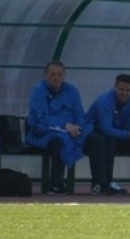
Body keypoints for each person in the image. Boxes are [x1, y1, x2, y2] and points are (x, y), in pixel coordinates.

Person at [26, 61, 109, 195]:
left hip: (73, 130)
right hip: (44, 132)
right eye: (52, 74)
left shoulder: (72, 91)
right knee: (60, 140)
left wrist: (77, 127)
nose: (56, 77)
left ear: (64, 75)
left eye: (59, 74)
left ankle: (99, 184)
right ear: (46, 76)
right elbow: (42, 117)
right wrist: (65, 126)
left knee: (96, 140)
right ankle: (56, 185)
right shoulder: (38, 92)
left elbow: (79, 114)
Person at [87, 74, 130, 195]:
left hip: (117, 135)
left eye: (128, 90)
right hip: (96, 136)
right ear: (115, 87)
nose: (125, 93)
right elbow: (106, 129)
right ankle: (106, 182)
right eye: (121, 89)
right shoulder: (105, 101)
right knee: (109, 139)